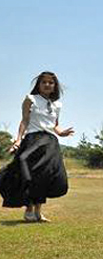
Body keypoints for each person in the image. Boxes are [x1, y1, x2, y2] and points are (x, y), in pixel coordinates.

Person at [0, 71, 74, 222]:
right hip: (33, 139)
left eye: (51, 83)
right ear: (38, 85)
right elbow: (25, 121)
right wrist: (18, 140)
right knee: (28, 172)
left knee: (46, 176)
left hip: (50, 143)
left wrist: (62, 133)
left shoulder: (57, 104)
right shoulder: (30, 99)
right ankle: (29, 209)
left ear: (55, 86)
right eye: (44, 82)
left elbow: (55, 126)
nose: (47, 85)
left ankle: (38, 212)